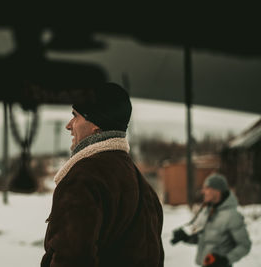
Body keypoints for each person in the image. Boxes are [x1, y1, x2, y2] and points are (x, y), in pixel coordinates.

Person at [41, 82, 164, 267]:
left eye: (75, 116)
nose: (68, 125)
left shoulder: (83, 179)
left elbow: (72, 258)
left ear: (96, 126)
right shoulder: (140, 182)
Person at [171, 173, 252, 267]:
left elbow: (245, 246)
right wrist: (186, 238)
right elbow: (206, 239)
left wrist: (225, 260)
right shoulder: (208, 212)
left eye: (206, 188)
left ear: (217, 191)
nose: (203, 191)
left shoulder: (232, 216)